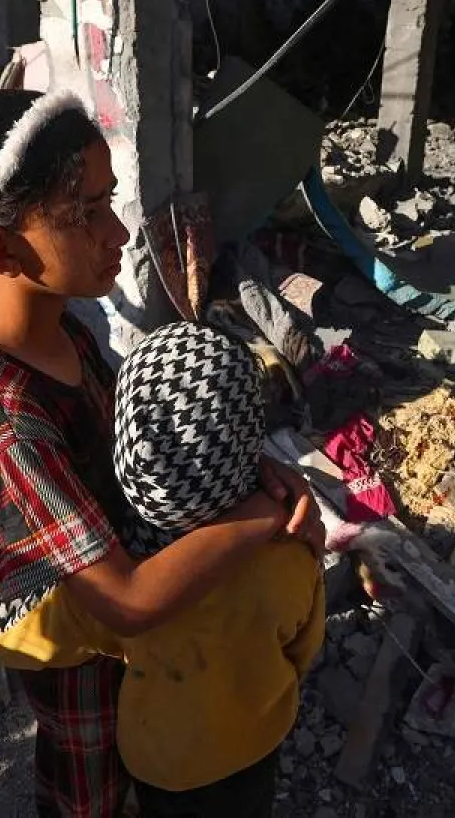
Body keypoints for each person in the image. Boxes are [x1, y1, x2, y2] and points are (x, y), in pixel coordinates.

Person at [0, 88, 324, 818]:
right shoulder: (4, 416)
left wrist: (255, 475)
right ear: (2, 249)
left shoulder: (66, 332)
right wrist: (255, 520)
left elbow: (144, 447)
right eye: (86, 213)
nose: (119, 232)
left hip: (137, 663)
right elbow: (125, 600)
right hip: (87, 677)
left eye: (109, 200)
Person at [108, 321, 324, 817]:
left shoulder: (115, 564)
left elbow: (96, 638)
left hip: (156, 755)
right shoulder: (290, 553)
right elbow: (303, 647)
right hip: (255, 740)